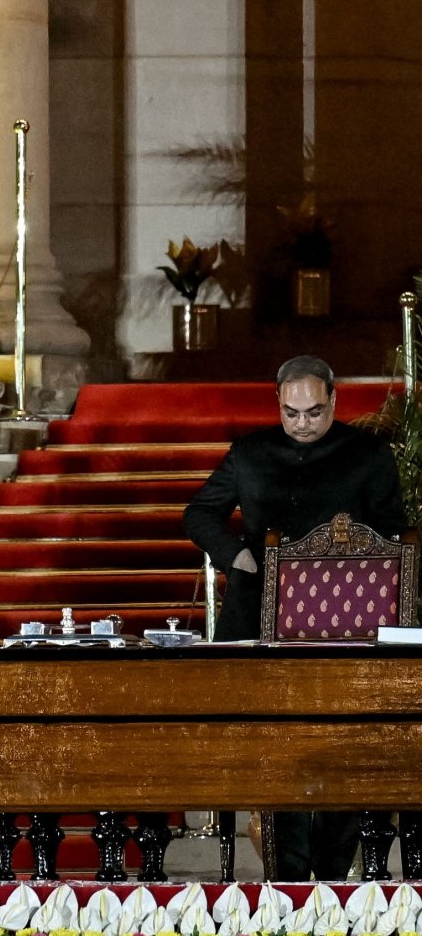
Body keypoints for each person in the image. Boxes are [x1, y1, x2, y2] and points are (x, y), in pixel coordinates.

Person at [183, 353, 406, 880]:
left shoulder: (368, 453)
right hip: (258, 614)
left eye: (314, 412)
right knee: (275, 747)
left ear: (334, 401)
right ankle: (285, 877)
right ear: (277, 405)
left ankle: (330, 877)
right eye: (292, 413)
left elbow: (394, 533)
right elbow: (199, 512)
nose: (302, 424)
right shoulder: (251, 451)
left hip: (345, 624)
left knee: (337, 749)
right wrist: (234, 554)